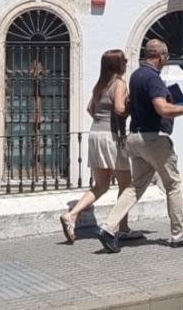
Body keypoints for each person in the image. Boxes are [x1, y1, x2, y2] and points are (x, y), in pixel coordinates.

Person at [97, 38, 183, 253]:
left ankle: (108, 228)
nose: (166, 59)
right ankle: (178, 235)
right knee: (173, 185)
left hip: (134, 139)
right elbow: (162, 108)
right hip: (153, 139)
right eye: (166, 56)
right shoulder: (153, 78)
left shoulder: (135, 76)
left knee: (136, 187)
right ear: (160, 56)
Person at [60, 49, 136, 243]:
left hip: (95, 135)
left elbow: (89, 108)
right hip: (112, 137)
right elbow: (119, 108)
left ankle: (72, 215)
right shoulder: (119, 84)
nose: (127, 63)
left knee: (100, 185)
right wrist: (131, 107)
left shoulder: (99, 86)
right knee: (126, 185)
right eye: (124, 60)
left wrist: (100, 121)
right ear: (118, 65)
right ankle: (123, 227)